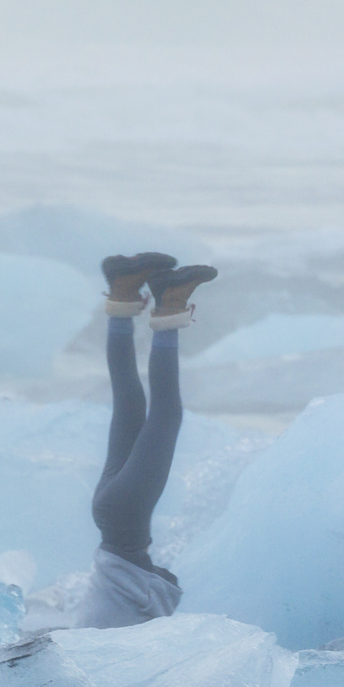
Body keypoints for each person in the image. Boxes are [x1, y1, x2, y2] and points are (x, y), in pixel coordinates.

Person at [74, 252, 218, 629]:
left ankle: (169, 305)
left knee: (166, 414)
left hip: (126, 521)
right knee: (130, 404)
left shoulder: (103, 642)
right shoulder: (88, 622)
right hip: (110, 520)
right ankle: (122, 293)